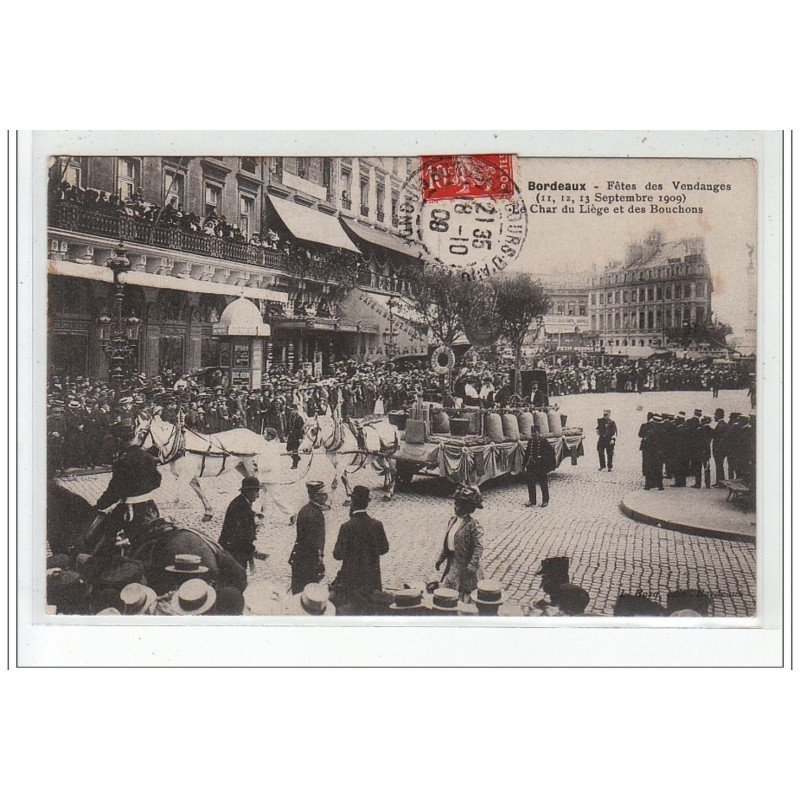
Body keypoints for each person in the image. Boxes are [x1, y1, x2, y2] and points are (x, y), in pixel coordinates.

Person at [82, 419, 162, 555]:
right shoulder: (148, 457)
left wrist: (98, 506)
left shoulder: (122, 461)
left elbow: (114, 491)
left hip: (129, 511)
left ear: (119, 440)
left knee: (104, 534)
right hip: (150, 507)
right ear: (134, 436)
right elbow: (157, 481)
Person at [330, 485, 389, 613]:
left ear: (352, 503)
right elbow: (384, 549)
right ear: (367, 503)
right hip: (372, 581)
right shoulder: (377, 525)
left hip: (351, 582)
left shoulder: (346, 527)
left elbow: (338, 554)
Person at [435, 484, 485, 601]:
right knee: (449, 590)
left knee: (464, 594)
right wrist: (440, 559)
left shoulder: (473, 525)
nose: (454, 507)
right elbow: (448, 543)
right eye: (455, 504)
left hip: (466, 566)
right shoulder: (452, 520)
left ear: (466, 507)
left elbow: (479, 547)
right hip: (452, 563)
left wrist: (472, 566)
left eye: (458, 505)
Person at [289, 481, 328, 594]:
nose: (326, 496)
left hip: (302, 559)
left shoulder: (308, 510)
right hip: (306, 562)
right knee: (306, 593)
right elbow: (312, 541)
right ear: (316, 496)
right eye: (323, 494)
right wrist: (319, 560)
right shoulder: (313, 514)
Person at [219, 476, 261, 572]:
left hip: (234, 551)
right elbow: (241, 535)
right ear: (249, 491)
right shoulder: (241, 506)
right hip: (234, 553)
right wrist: (253, 550)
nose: (258, 496)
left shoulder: (241, 503)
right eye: (256, 492)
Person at [522, 429, 556, 507]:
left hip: (541, 465)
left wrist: (542, 457)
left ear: (539, 432)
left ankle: (545, 501)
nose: (533, 434)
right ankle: (532, 500)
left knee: (543, 483)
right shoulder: (531, 442)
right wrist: (524, 466)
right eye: (532, 432)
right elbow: (527, 454)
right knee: (530, 482)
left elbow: (551, 452)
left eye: (535, 432)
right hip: (532, 465)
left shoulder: (544, 441)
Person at [285, 402, 305, 468]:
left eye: (293, 410)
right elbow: (287, 427)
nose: (291, 411)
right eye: (291, 410)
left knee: (294, 450)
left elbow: (301, 429)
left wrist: (300, 438)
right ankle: (297, 458)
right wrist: (286, 435)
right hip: (291, 436)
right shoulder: (290, 417)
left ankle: (295, 465)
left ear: (296, 410)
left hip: (296, 437)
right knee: (288, 449)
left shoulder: (299, 418)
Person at [711, 407, 728, 486]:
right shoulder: (723, 424)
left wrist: (717, 449)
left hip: (719, 449)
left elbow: (721, 439)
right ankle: (720, 481)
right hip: (721, 449)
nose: (714, 417)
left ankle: (720, 482)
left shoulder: (721, 425)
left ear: (718, 416)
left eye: (715, 415)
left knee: (719, 465)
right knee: (719, 465)